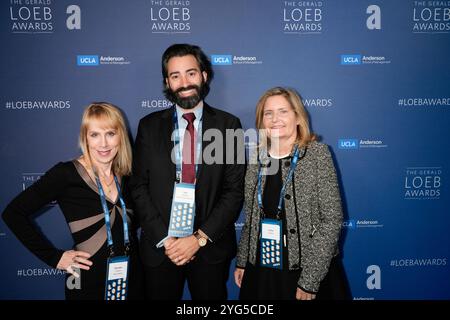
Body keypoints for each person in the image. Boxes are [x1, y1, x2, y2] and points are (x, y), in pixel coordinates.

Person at [131, 43, 245, 300]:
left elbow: (234, 190)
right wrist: (166, 240)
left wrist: (199, 238)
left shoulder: (229, 125)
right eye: (175, 76)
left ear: (204, 76)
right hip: (161, 249)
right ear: (167, 82)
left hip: (209, 249)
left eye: (191, 73)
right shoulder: (148, 127)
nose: (184, 82)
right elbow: (137, 186)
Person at [2, 102, 143, 300]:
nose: (103, 143)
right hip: (84, 282)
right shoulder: (66, 174)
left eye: (110, 133)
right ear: (85, 137)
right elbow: (12, 213)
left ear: (121, 136)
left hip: (131, 278)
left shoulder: (127, 174)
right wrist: (54, 258)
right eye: (95, 134)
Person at [234, 87, 350, 300]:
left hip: (307, 271)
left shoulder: (318, 155)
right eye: (268, 113)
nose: (275, 119)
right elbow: (251, 218)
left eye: (283, 111)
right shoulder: (257, 159)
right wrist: (243, 261)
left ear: (297, 117)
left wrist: (310, 280)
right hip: (262, 269)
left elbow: (332, 219)